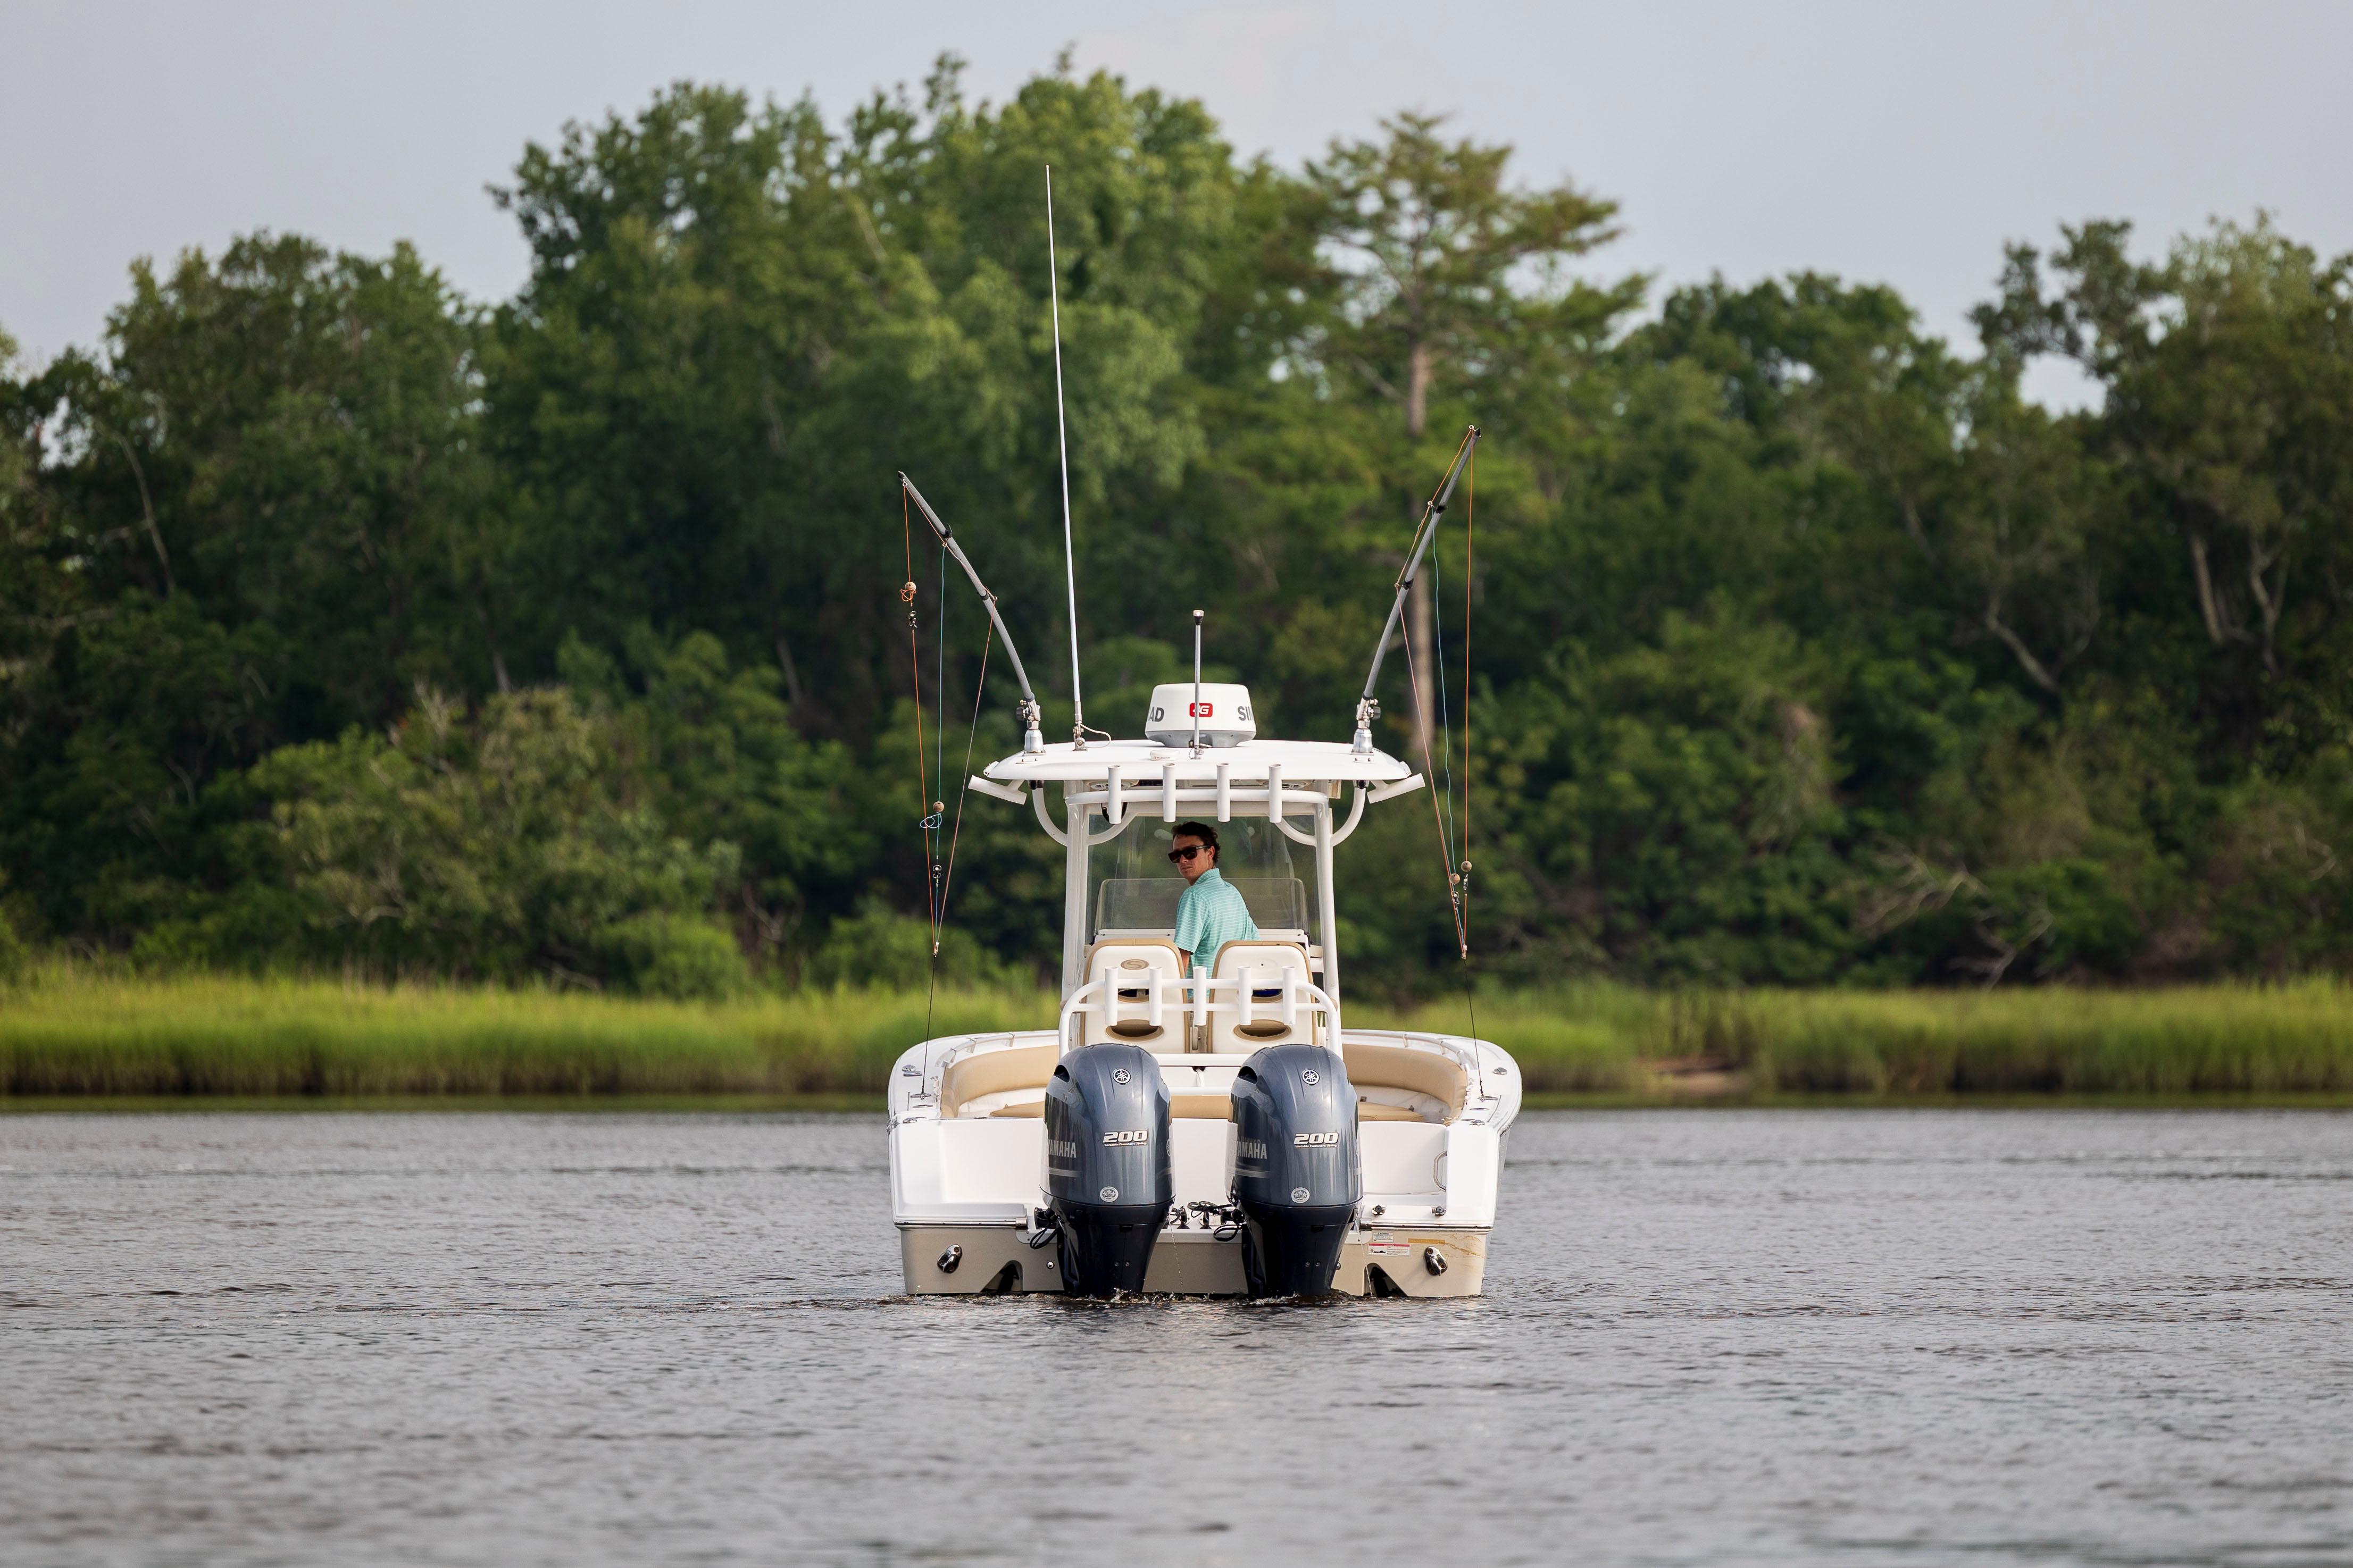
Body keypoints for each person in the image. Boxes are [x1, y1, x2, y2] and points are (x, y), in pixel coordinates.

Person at [1169, 821, 1257, 976]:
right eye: (1176, 855)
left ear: (1210, 853)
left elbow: (1181, 961)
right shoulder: (1232, 893)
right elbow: (1254, 943)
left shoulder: (1195, 896)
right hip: (1234, 993)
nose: (1183, 860)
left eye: (1190, 852)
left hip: (1201, 996)